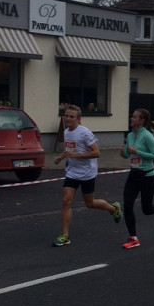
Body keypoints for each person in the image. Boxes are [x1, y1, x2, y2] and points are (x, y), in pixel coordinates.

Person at [52, 104, 121, 246]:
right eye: (66, 116)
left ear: (78, 119)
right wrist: (61, 157)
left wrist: (76, 155)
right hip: (72, 172)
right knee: (66, 200)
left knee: (90, 203)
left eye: (72, 116)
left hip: (87, 173)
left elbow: (96, 153)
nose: (68, 118)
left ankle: (113, 208)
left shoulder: (85, 133)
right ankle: (65, 235)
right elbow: (69, 150)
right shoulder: (66, 132)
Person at [119, 109, 154, 250]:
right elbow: (127, 155)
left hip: (147, 176)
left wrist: (137, 152)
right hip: (133, 175)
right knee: (127, 204)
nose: (131, 119)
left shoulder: (148, 136)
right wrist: (123, 153)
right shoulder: (131, 135)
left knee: (147, 209)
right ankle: (133, 238)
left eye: (134, 117)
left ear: (142, 120)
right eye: (132, 116)